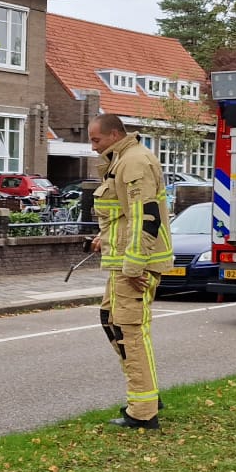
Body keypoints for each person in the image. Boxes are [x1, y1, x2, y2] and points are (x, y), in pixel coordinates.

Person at [88, 112, 171, 431]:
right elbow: (125, 215)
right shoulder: (123, 160)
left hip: (133, 265)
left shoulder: (133, 163)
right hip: (123, 262)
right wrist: (104, 237)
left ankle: (143, 411)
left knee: (129, 331)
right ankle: (146, 394)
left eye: (96, 139)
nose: (93, 146)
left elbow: (145, 217)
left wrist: (135, 266)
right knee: (111, 321)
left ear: (114, 134)